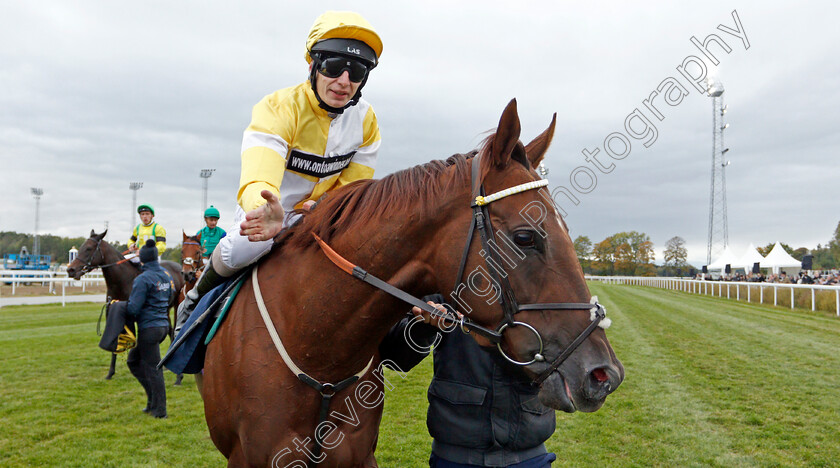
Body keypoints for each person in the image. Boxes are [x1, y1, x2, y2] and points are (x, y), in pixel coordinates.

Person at [177, 10, 383, 318]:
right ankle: (195, 298)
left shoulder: (367, 121)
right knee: (247, 246)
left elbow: (352, 188)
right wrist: (265, 211)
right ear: (313, 64)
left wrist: (320, 209)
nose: (344, 81)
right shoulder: (278, 108)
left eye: (357, 72)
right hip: (270, 214)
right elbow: (260, 174)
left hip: (323, 216)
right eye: (335, 66)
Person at [380, 295, 558, 468]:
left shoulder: (538, 290)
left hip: (529, 456)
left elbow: (556, 363)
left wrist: (494, 347)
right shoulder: (445, 282)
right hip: (456, 458)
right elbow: (395, 356)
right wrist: (422, 328)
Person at [125, 240, 171, 418]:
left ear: (142, 260)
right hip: (162, 326)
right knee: (134, 361)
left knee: (153, 369)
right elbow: (169, 298)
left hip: (149, 328)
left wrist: (119, 307)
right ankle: (152, 401)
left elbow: (133, 309)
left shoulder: (142, 279)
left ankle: (160, 410)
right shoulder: (166, 276)